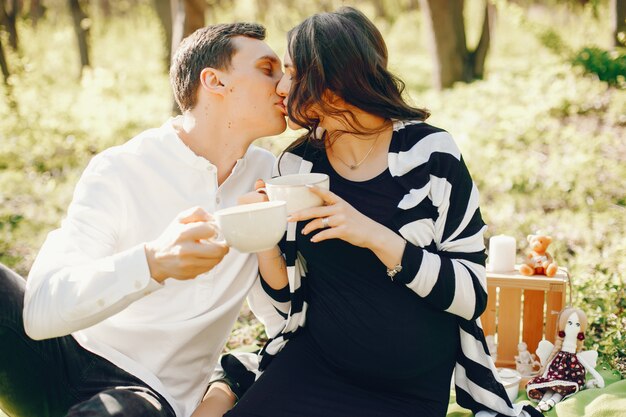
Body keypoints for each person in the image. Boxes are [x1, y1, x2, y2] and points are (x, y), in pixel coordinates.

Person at [194, 7, 544, 417]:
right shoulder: (297, 167)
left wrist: (374, 235)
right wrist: (264, 237)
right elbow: (286, 299)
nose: (282, 87)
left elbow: (472, 296)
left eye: (292, 71)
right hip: (315, 365)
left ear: (333, 79)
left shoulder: (431, 156)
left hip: (407, 389)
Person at [0, 22, 288, 417]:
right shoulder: (121, 168)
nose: (285, 85)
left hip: (144, 392)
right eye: (268, 69)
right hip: (58, 354)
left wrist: (229, 384)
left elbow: (283, 322)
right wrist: (151, 263)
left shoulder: (271, 178)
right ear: (215, 82)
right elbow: (39, 311)